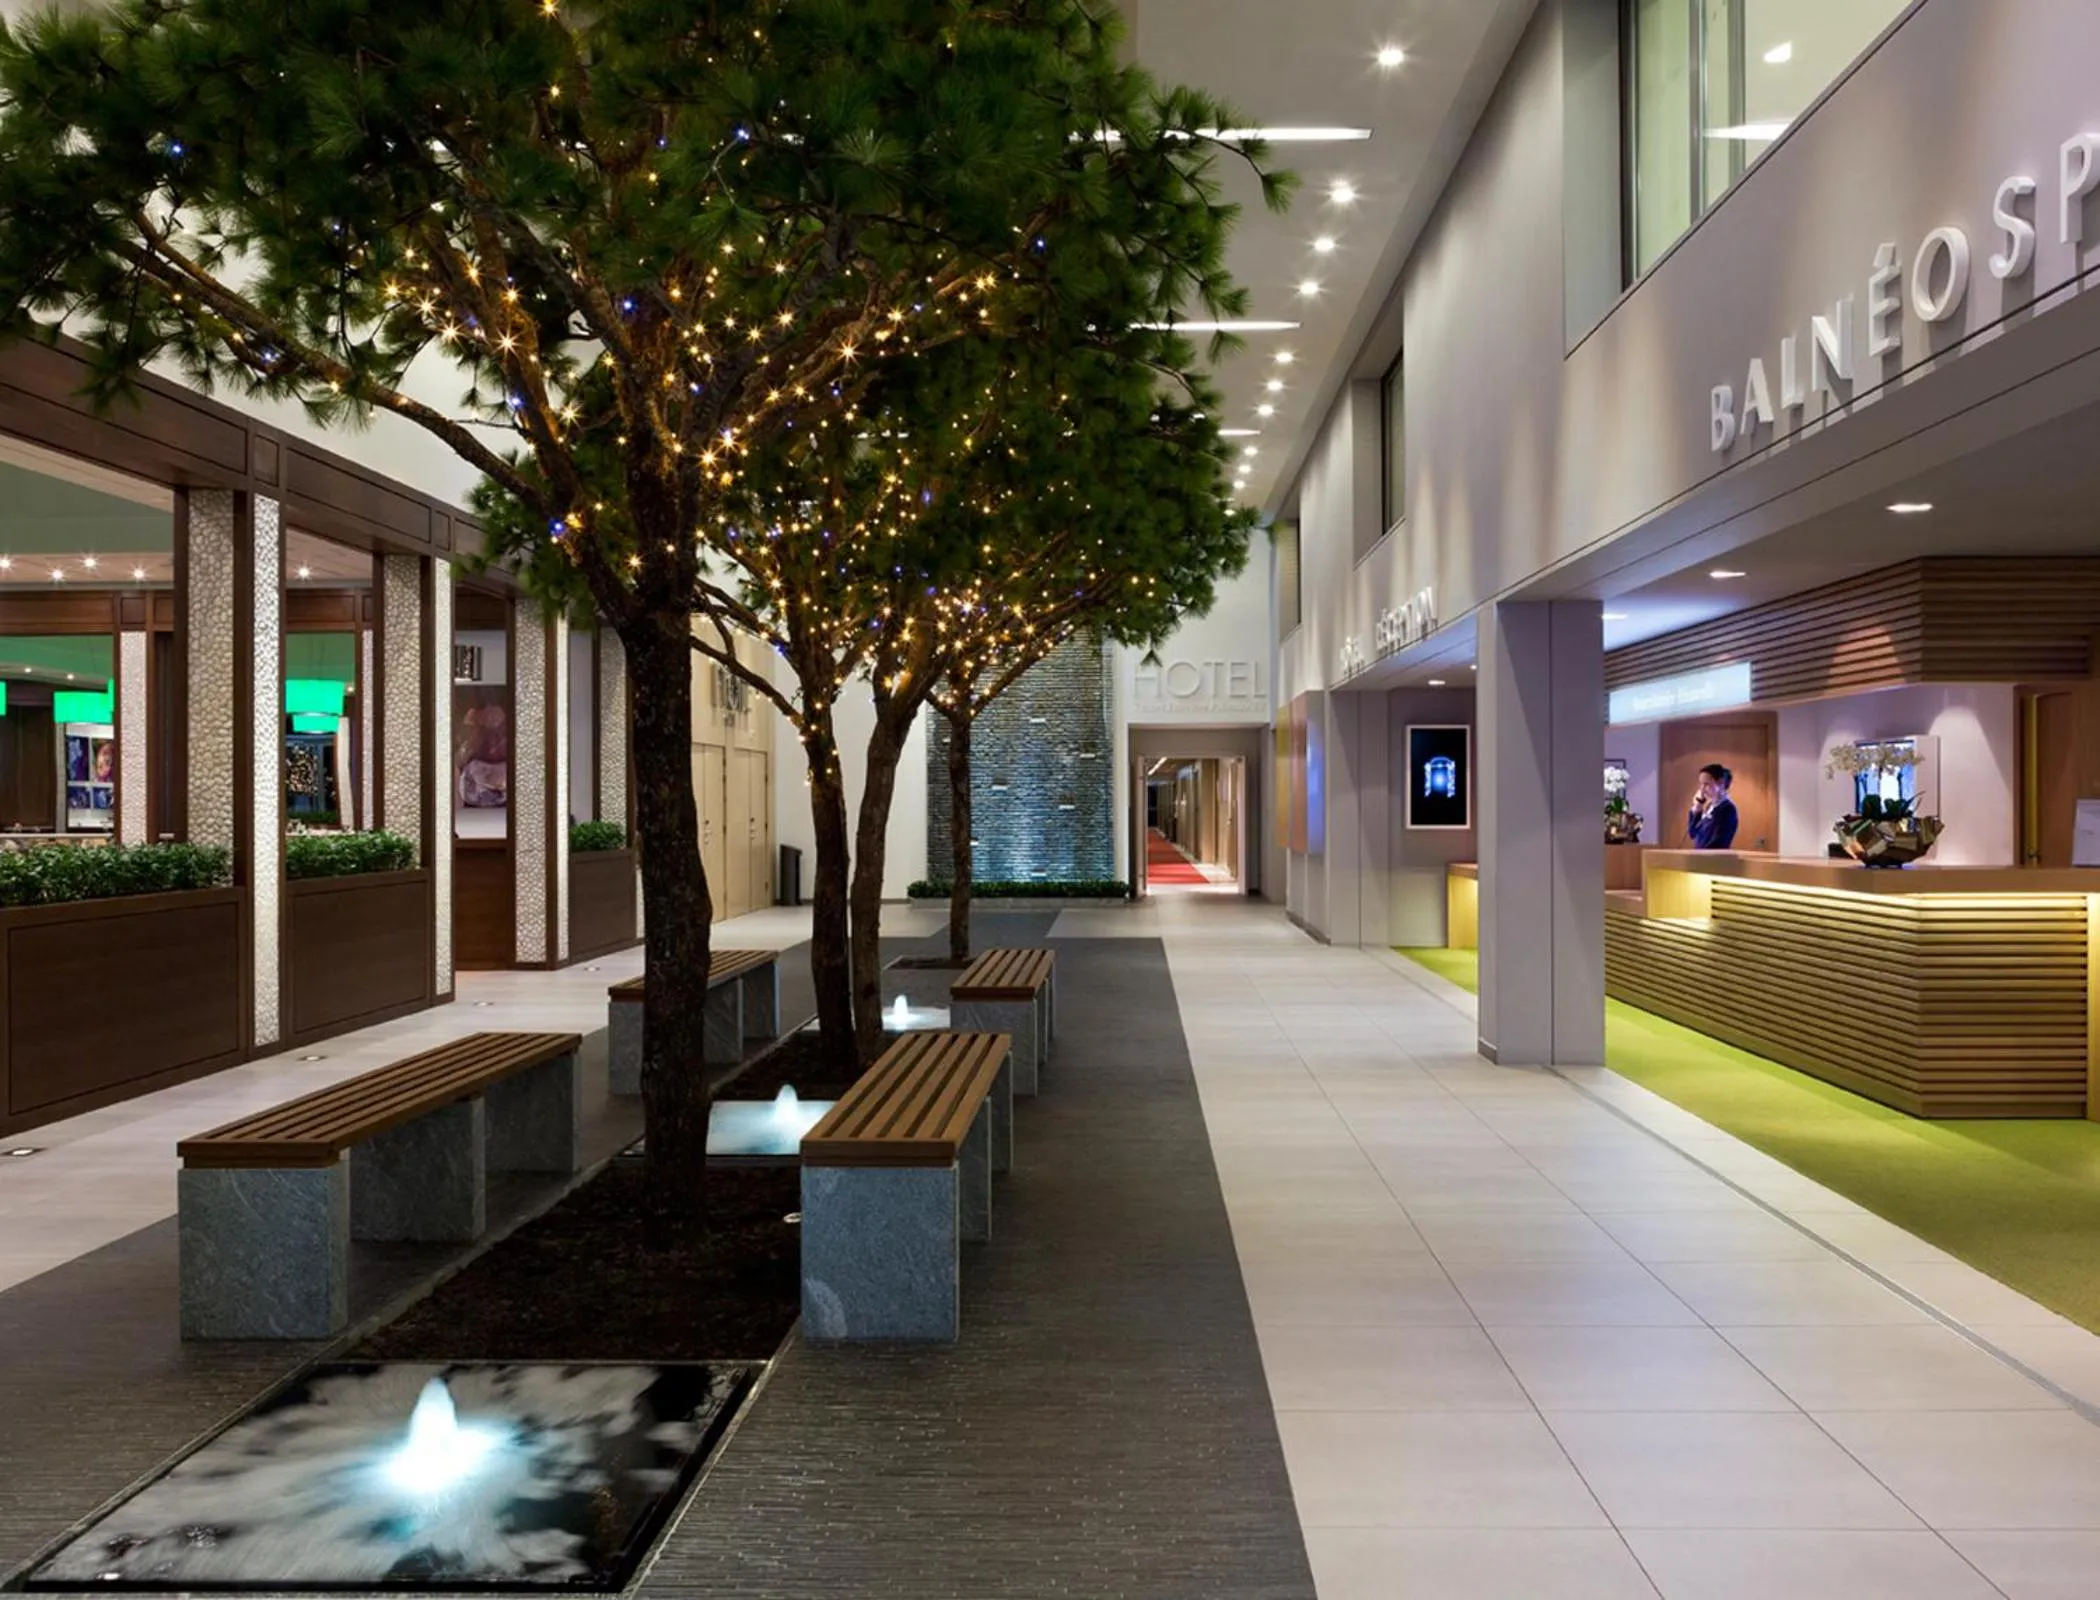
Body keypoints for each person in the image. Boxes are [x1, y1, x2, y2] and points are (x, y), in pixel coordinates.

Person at [1688, 763, 1739, 850]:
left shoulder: (1727, 809)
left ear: (1720, 783)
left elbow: (1717, 843)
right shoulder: (1709, 807)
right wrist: (1697, 808)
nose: (1702, 789)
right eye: (1701, 784)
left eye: (1706, 784)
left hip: (1714, 861)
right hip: (1701, 859)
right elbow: (1692, 833)